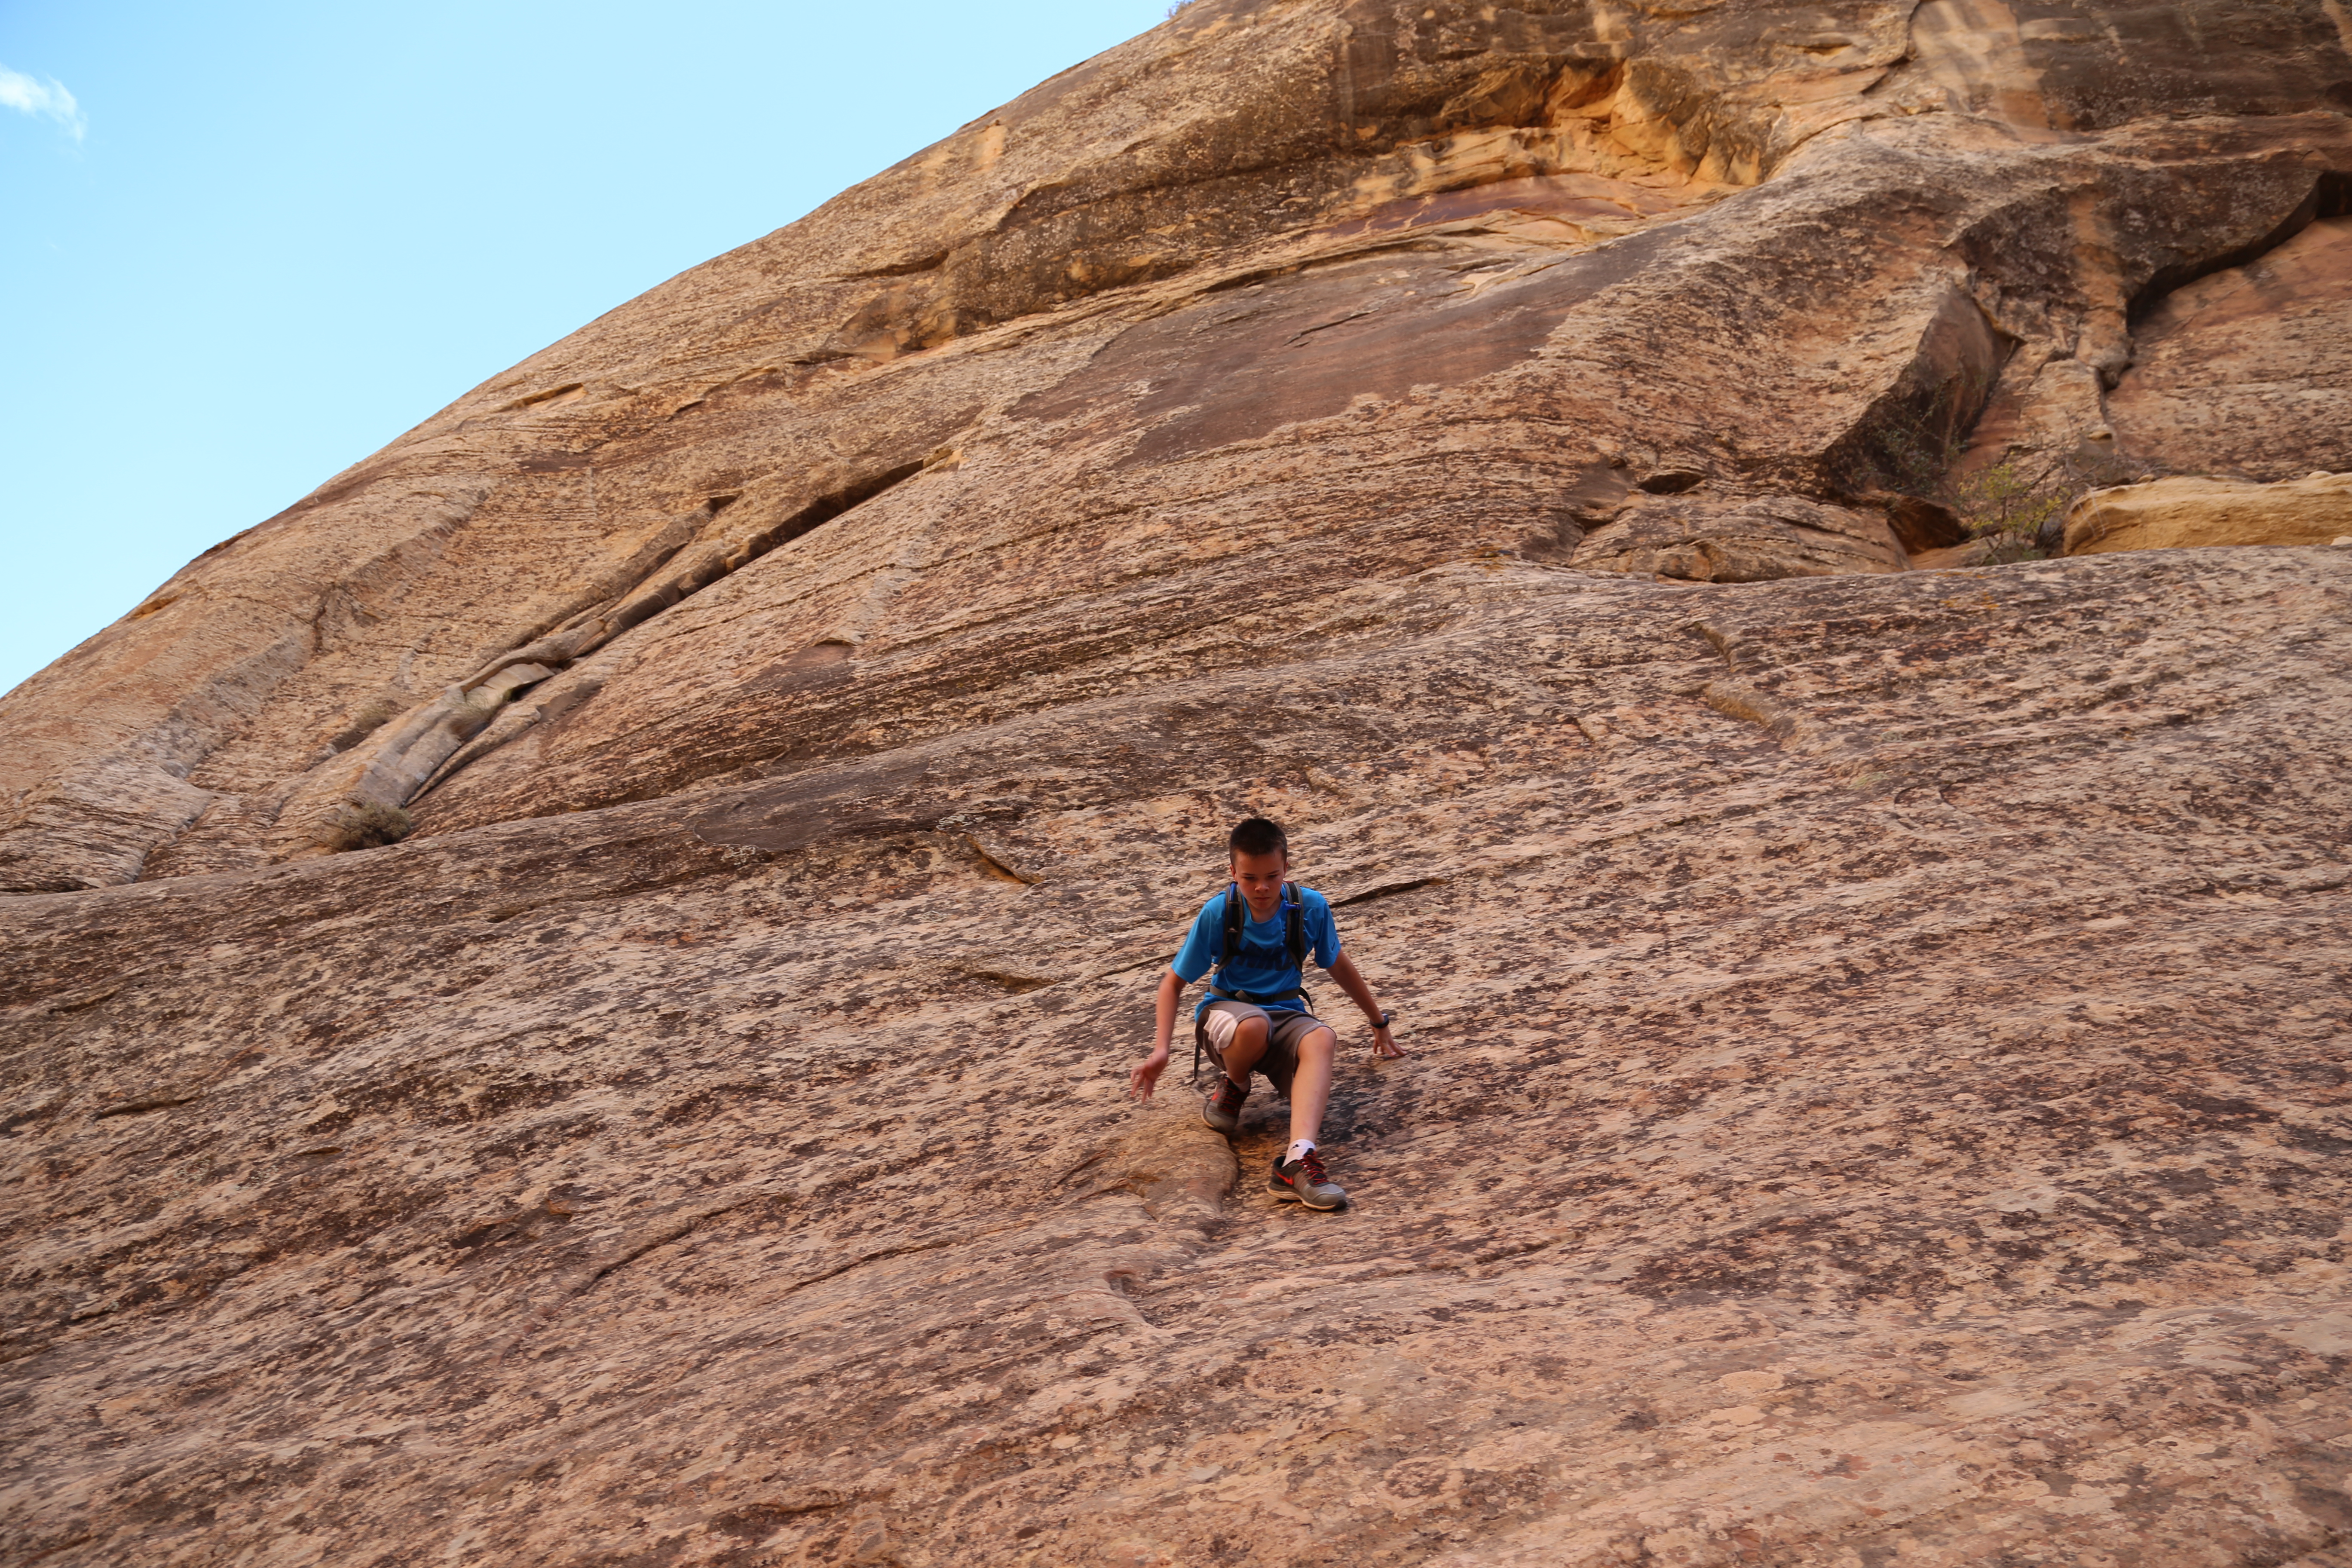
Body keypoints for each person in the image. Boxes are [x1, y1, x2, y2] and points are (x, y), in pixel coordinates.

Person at [1127, 816, 1405, 1210]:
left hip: (1286, 1014)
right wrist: (1161, 1051)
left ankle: (1297, 1161)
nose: (1261, 888)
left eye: (1272, 876)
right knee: (1254, 1024)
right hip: (1225, 1014)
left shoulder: (1310, 908)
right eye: (1249, 878)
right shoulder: (1219, 912)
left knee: (1323, 1036)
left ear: (1287, 868)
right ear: (1233, 873)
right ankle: (1235, 1085)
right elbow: (1172, 984)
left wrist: (1379, 1023)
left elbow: (1338, 964)